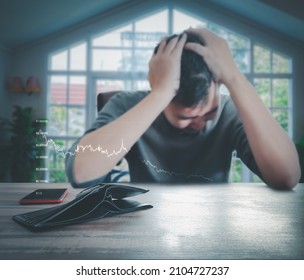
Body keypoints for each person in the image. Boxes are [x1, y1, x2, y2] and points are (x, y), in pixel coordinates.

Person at [65, 27, 301, 189]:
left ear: (217, 84)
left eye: (209, 112)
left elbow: (288, 177)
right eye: (185, 117)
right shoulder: (128, 105)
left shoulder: (229, 111)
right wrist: (160, 93)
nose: (200, 124)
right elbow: (80, 173)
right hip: (144, 227)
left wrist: (234, 76)